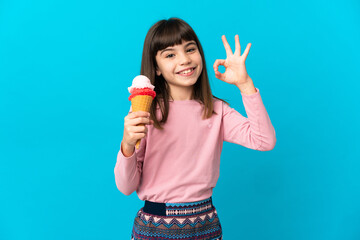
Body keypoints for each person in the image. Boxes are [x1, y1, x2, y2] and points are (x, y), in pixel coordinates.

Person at [114, 17, 276, 240]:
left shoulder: (217, 111)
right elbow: (125, 186)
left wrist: (245, 84)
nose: (184, 60)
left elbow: (264, 140)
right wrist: (127, 145)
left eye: (190, 49)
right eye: (170, 54)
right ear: (157, 68)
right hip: (154, 229)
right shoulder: (147, 114)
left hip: (205, 226)